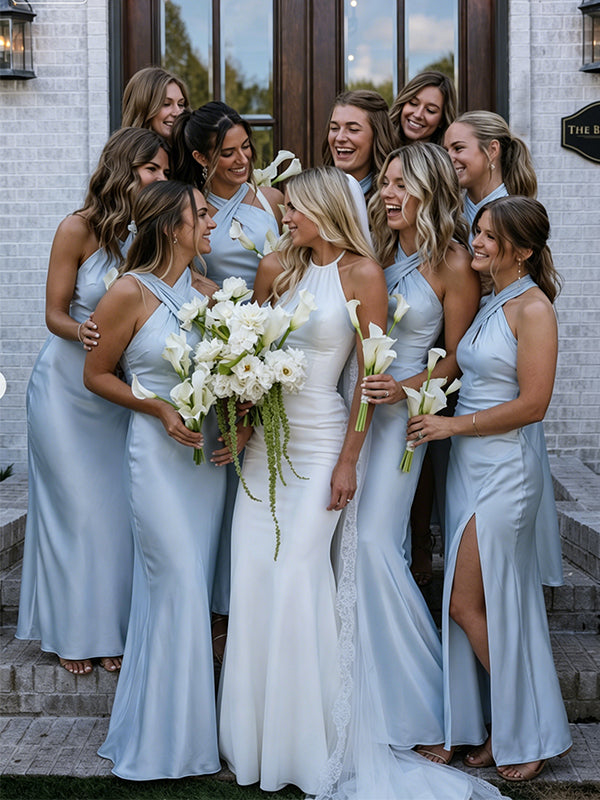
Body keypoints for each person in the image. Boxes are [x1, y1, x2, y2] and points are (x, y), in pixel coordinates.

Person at [217, 165, 388, 794]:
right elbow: (247, 358)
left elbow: (370, 379)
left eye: (294, 208)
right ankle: (252, 741)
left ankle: (307, 742)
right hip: (267, 444)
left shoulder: (363, 275)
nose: (284, 217)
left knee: (297, 576)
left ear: (325, 209)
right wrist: (241, 426)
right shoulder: (274, 270)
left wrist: (349, 460)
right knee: (254, 573)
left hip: (321, 445)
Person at [407, 196, 572, 782]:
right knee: (488, 603)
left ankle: (531, 728)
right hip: (468, 468)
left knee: (464, 603)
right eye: (477, 231)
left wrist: (452, 426)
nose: (475, 242)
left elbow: (533, 404)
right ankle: (496, 726)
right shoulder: (489, 300)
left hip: (505, 470)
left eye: (490, 236)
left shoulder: (534, 308)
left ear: (521, 250)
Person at [84, 180, 226, 780]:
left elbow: (230, 369)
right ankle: (167, 741)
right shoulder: (127, 291)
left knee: (191, 585)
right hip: (155, 452)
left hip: (205, 460)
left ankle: (181, 730)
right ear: (173, 226)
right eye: (202, 215)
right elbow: (96, 375)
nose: (212, 224)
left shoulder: (213, 294)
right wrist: (157, 408)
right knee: (175, 584)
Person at [16, 127, 170, 676]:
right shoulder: (76, 228)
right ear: (124, 170)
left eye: (164, 171)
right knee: (75, 511)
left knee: (111, 514)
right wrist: (80, 329)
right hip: (63, 391)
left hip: (113, 393)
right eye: (151, 169)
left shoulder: (148, 236)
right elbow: (53, 313)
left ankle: (107, 631)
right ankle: (71, 633)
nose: (160, 178)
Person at [356, 143, 480, 760]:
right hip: (353, 414)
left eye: (401, 183)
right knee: (352, 547)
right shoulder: (373, 252)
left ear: (430, 191)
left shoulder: (453, 262)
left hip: (406, 420)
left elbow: (458, 356)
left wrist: (404, 388)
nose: (388, 193)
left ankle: (428, 705)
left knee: (376, 542)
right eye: (385, 182)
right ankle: (365, 692)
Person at [171, 101, 283, 656]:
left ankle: (255, 610)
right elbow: (182, 277)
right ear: (200, 158)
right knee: (220, 487)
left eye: (246, 148)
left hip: (270, 347)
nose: (242, 160)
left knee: (256, 489)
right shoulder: (187, 208)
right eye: (228, 152)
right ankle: (217, 611)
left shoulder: (271, 200)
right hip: (218, 353)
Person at [444, 111, 537, 234]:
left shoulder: (518, 216)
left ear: (492, 150)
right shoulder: (447, 210)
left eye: (458, 148)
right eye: (446, 150)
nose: (448, 158)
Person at [321, 89, 399, 199]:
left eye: (353, 129)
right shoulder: (313, 193)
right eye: (334, 128)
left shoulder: (392, 198)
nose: (339, 138)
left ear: (377, 136)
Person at [389, 70, 457, 147]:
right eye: (413, 103)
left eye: (430, 110)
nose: (418, 115)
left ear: (442, 120)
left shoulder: (451, 154)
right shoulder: (379, 147)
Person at [121, 65, 190, 141]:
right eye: (166, 104)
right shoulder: (123, 147)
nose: (178, 113)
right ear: (143, 107)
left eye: (180, 104)